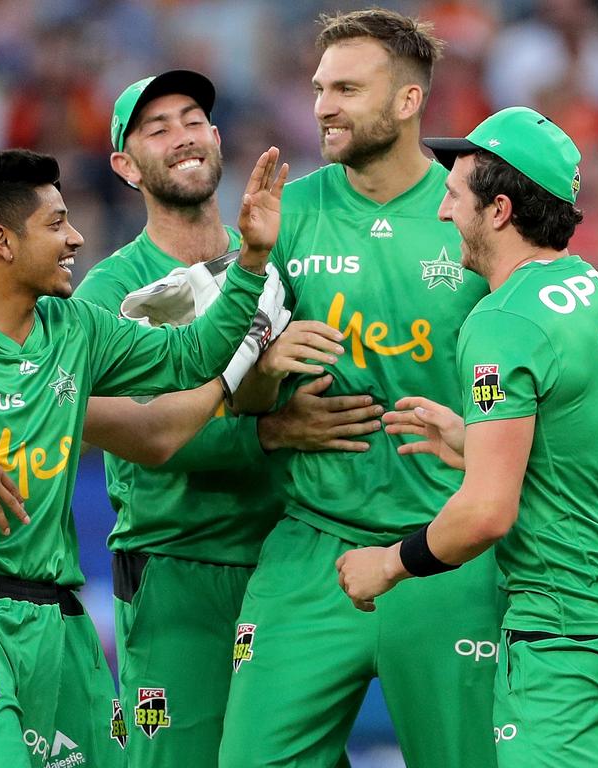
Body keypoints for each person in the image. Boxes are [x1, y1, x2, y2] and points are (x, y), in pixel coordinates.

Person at [0, 145, 284, 766]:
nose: (77, 238)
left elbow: (190, 356)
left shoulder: (76, 327)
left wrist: (249, 262)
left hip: (57, 618)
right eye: (57, 223)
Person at [336, 106, 598, 767]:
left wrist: (386, 564)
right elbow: (593, 455)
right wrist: (478, 439)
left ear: (498, 210)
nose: (443, 215)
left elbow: (485, 514)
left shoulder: (503, 319)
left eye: (453, 197)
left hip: (572, 635)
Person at [217, 9, 503, 768]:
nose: (323, 105)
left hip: (445, 552)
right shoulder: (288, 213)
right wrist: (267, 369)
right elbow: (231, 394)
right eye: (318, 88)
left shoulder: (472, 216)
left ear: (409, 102)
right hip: (311, 544)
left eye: (347, 88)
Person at [73, 69, 381, 766]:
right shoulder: (113, 291)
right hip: (182, 562)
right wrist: (268, 428)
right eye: (157, 129)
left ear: (215, 138)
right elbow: (144, 433)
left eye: (192, 120)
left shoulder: (284, 260)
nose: (181, 136)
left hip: (294, 559)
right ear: (125, 165)